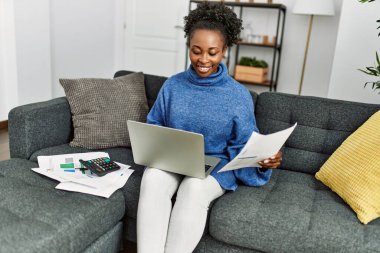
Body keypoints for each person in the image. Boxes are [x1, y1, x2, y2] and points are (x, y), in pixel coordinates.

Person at [136, 2, 282, 253]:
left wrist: (263, 160)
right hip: (174, 159)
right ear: (188, 48)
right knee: (152, 178)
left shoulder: (238, 95)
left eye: (212, 52)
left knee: (193, 188)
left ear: (224, 50)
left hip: (216, 166)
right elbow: (155, 125)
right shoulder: (173, 86)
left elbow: (245, 145)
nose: (203, 59)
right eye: (196, 51)